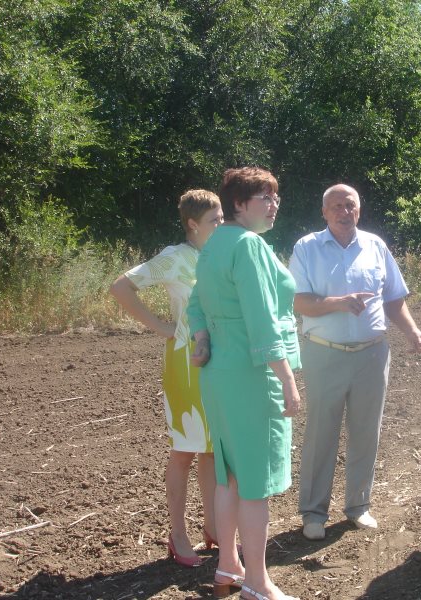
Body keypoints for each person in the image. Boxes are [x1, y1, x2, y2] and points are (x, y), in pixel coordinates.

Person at [289, 183, 421, 541]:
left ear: (359, 209)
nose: (344, 212)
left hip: (372, 354)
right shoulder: (307, 248)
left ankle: (358, 506)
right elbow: (300, 302)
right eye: (336, 206)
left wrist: (412, 331)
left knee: (366, 432)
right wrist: (339, 302)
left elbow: (394, 298)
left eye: (350, 205)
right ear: (324, 212)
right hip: (324, 352)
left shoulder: (376, 246)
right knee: (321, 434)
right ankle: (313, 512)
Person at [187, 167, 301, 600]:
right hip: (254, 376)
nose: (273, 205)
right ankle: (257, 581)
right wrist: (287, 378)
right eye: (264, 198)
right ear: (238, 204)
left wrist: (202, 336)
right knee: (255, 481)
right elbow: (262, 321)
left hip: (220, 374)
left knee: (229, 474)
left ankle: (228, 566)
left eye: (275, 197)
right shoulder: (249, 246)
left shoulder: (215, 244)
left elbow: (196, 304)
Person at [110, 189, 224, 567]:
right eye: (214, 220)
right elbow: (121, 287)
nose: (222, 224)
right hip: (185, 362)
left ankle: (213, 527)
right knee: (186, 449)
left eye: (223, 217)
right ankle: (178, 533)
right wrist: (161, 326)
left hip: (219, 362)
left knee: (211, 449)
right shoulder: (174, 257)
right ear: (193, 224)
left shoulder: (219, 255)